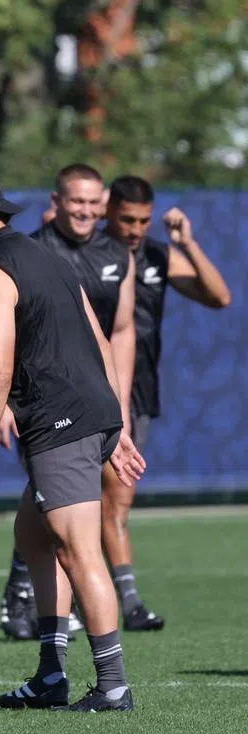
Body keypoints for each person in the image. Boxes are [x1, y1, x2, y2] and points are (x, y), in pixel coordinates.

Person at [0, 167, 146, 712]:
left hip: (61, 421)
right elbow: (99, 336)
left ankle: (112, 684)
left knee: (78, 549)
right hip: (88, 413)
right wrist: (115, 422)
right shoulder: (46, 255)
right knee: (33, 535)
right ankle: (51, 674)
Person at [0, 164, 135, 641]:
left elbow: (115, 333)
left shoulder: (117, 253)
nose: (87, 211)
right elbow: (8, 341)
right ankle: (33, 608)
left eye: (95, 203)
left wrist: (120, 410)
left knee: (63, 523)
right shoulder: (32, 252)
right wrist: (7, 400)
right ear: (56, 201)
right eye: (78, 201)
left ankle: (97, 670)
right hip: (46, 403)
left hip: (91, 399)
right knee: (51, 512)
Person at [101, 176, 231, 629]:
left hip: (138, 389)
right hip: (90, 386)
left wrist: (188, 244)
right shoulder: (90, 253)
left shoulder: (157, 255)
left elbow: (220, 297)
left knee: (116, 498)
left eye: (143, 221)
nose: (135, 229)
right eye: (126, 219)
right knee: (90, 496)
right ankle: (123, 601)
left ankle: (108, 600)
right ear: (107, 212)